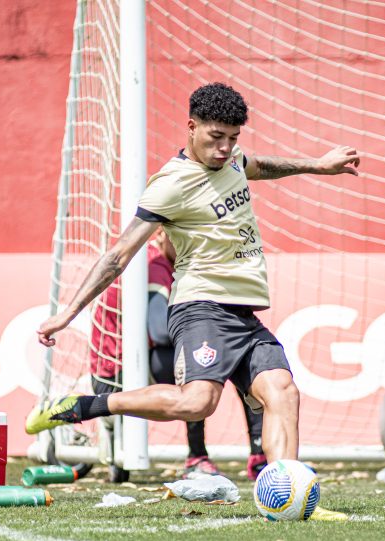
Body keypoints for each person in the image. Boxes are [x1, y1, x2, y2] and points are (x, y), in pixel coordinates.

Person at [26, 83, 360, 515]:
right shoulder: (171, 185)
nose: (224, 148)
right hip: (200, 306)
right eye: (215, 137)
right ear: (191, 126)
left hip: (242, 311)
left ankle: (288, 497)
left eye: (233, 138)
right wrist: (68, 314)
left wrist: (318, 166)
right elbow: (118, 255)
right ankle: (83, 407)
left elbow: (262, 165)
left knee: (283, 391)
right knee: (197, 402)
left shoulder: (234, 160)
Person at [90, 227, 267, 480]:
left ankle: (258, 455)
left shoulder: (164, 261)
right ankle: (199, 457)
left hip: (126, 365)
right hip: (116, 374)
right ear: (162, 234)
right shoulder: (154, 264)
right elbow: (160, 330)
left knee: (230, 354)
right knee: (204, 358)